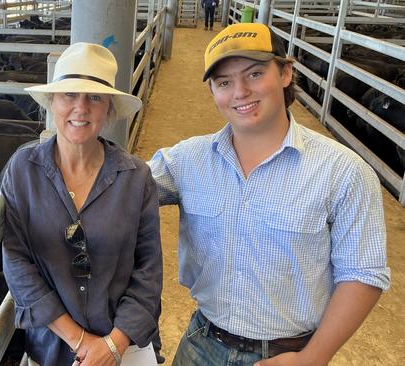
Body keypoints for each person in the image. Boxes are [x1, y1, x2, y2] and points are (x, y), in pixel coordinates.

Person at [148, 23, 391, 365]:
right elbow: (112, 185)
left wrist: (313, 358)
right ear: (213, 92)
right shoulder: (187, 161)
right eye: (224, 83)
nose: (240, 92)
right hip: (202, 342)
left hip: (290, 354)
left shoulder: (343, 171)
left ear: (286, 73)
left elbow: (364, 273)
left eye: (255, 73)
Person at [1, 42, 163, 366]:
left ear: (109, 109)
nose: (81, 108)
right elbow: (17, 264)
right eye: (69, 95)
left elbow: (149, 272)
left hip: (124, 348)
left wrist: (113, 346)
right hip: (52, 347)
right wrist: (81, 341)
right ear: (52, 102)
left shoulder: (136, 178)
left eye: (95, 97)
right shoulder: (23, 170)